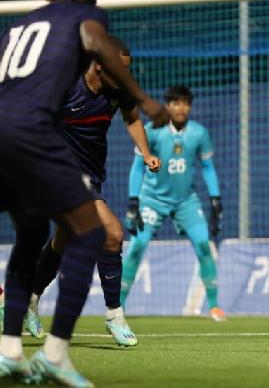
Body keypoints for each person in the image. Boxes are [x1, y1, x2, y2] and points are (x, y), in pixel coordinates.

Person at [0, 0, 168, 387]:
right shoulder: (82, 17)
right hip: (32, 136)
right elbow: (95, 41)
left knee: (34, 235)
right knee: (98, 233)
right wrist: (145, 100)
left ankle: (10, 349)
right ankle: (58, 353)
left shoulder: (20, 25)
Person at [26, 36, 161, 348]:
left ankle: (29, 300)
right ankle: (114, 314)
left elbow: (132, 120)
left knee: (63, 238)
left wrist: (146, 152)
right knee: (112, 233)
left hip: (90, 175)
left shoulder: (121, 89)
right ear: (99, 66)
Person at [120, 85, 226, 321]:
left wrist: (215, 200)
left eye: (186, 103)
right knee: (137, 246)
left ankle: (214, 306)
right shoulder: (152, 131)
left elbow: (208, 168)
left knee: (203, 246)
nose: (182, 108)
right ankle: (118, 307)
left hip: (185, 201)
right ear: (167, 106)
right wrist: (133, 201)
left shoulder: (198, 133)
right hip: (152, 199)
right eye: (176, 103)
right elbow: (138, 167)